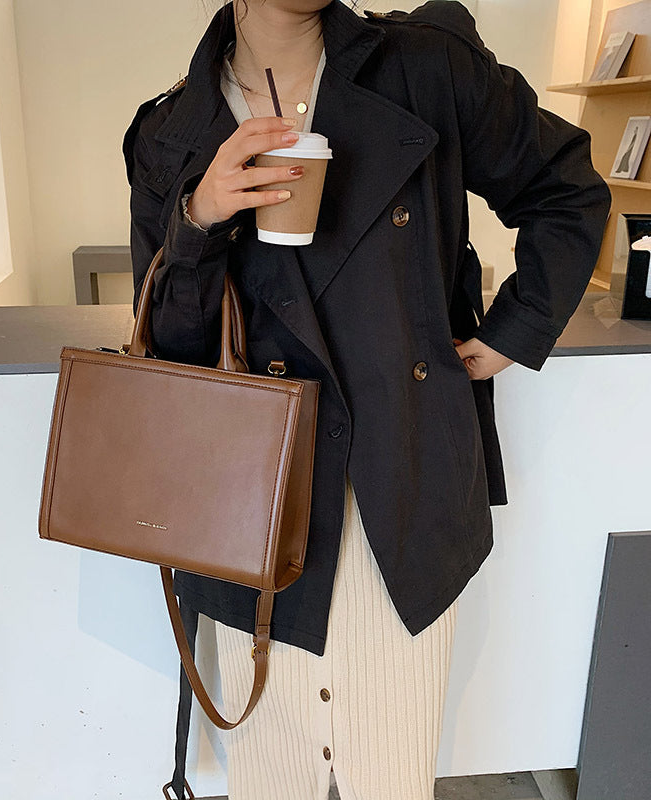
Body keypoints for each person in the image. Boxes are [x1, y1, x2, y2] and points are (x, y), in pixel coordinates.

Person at [122, 1, 612, 798]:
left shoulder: (426, 67)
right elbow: (173, 350)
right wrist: (200, 218)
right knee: (275, 777)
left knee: (391, 772)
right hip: (254, 507)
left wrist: (513, 329)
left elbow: (566, 189)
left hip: (401, 485)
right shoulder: (170, 132)